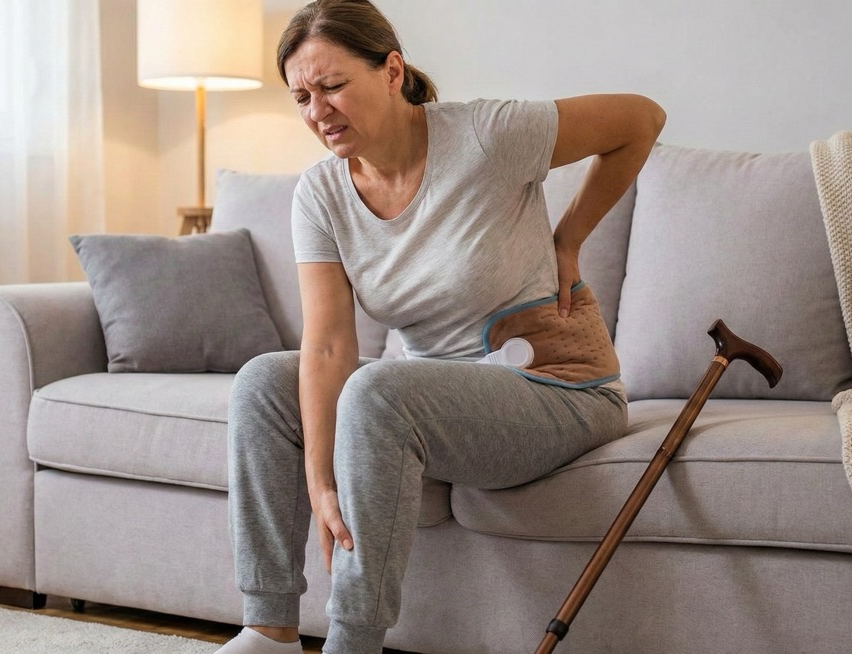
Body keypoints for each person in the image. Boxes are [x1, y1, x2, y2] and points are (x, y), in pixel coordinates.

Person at [219, 1, 665, 652]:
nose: (318, 112)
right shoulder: (320, 194)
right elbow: (328, 344)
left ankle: (353, 642)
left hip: (557, 389)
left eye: (334, 85)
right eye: (302, 97)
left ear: (392, 71)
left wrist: (569, 240)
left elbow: (640, 119)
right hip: (432, 396)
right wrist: (320, 481)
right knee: (263, 382)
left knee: (378, 394)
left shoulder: (488, 135)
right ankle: (268, 631)